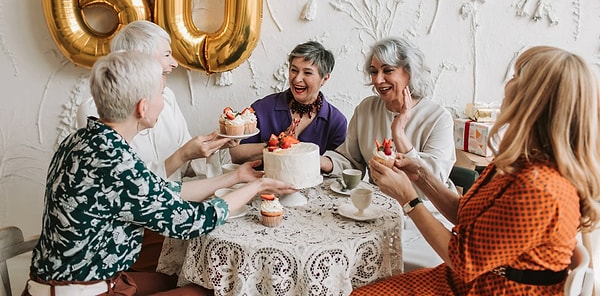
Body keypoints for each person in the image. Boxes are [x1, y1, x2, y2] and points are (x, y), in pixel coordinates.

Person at [26, 51, 296, 296]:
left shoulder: (84, 140)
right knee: (211, 291)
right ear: (142, 107)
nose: (163, 103)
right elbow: (193, 221)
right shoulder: (116, 162)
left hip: (58, 281)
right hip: (85, 292)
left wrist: (237, 177)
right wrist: (256, 188)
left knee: (180, 277)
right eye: (160, 95)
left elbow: (164, 192)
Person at [352, 46, 600, 295]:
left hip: (491, 289)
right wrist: (422, 176)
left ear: (536, 100)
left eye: (516, 77)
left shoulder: (539, 188)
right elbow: (466, 215)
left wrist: (409, 198)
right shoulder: (520, 159)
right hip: (467, 280)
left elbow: (464, 263)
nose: (507, 84)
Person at [77, 20, 232, 182]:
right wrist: (182, 155)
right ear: (139, 61)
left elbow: (188, 163)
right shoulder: (94, 111)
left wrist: (217, 145)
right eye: (166, 55)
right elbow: (123, 183)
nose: (175, 63)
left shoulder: (167, 96)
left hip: (174, 198)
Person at [320, 36, 455, 190]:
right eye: (374, 71)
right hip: (380, 204)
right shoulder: (366, 109)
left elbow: (433, 183)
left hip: (423, 209)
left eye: (388, 70)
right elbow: (349, 160)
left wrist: (398, 133)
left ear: (410, 72)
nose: (377, 80)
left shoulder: (438, 118)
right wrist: (318, 161)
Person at [229, 40, 347, 164]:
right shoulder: (263, 108)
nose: (297, 79)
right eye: (294, 70)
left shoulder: (336, 121)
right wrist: (275, 145)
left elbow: (339, 168)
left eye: (307, 73)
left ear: (325, 78)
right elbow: (237, 155)